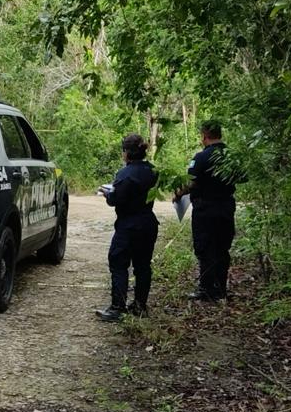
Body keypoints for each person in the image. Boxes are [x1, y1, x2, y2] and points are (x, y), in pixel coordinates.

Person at [95, 134, 159, 322]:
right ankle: (140, 305)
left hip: (129, 224)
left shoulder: (125, 174)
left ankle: (118, 307)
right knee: (143, 265)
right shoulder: (153, 171)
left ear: (126, 153)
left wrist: (107, 194)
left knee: (118, 262)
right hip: (148, 222)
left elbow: (116, 200)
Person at [174, 120, 238, 301]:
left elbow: (191, 182)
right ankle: (220, 288)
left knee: (205, 248)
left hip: (205, 209)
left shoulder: (201, 157)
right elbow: (242, 177)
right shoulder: (231, 156)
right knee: (222, 247)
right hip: (226, 207)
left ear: (204, 136)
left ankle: (207, 289)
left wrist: (179, 194)